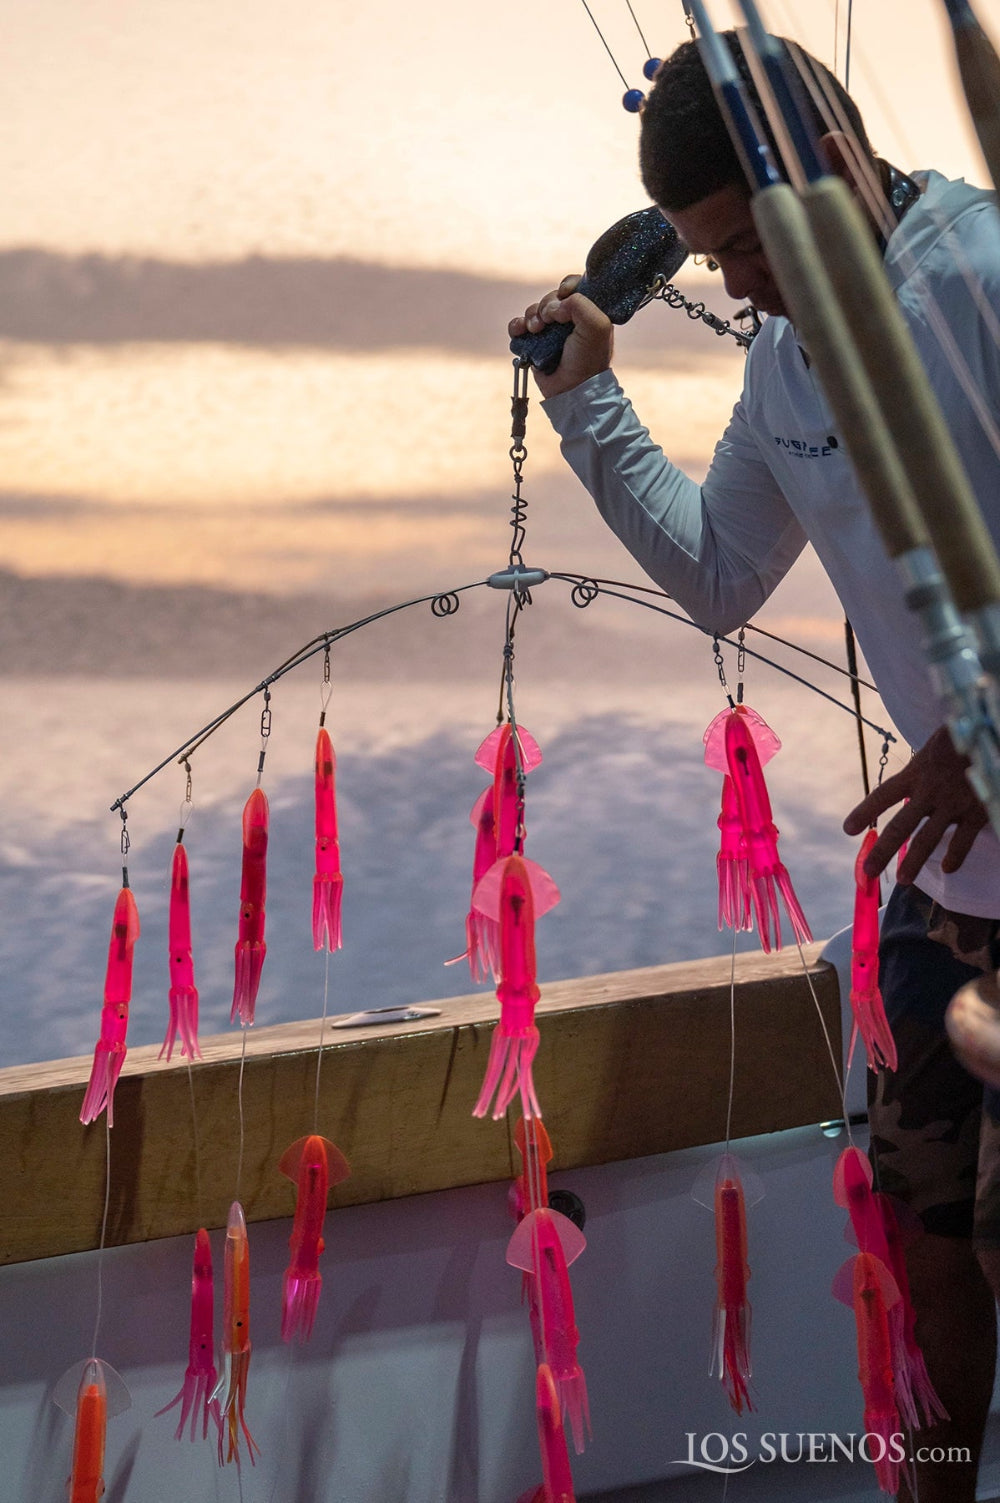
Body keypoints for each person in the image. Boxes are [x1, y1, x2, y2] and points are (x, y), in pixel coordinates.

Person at [508, 32, 1000, 1503]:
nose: (729, 285)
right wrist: (589, 403)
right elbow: (722, 572)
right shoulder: (790, 353)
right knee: (920, 1243)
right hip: (948, 892)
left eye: (741, 245)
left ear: (828, 168)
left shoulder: (976, 280)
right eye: (711, 257)